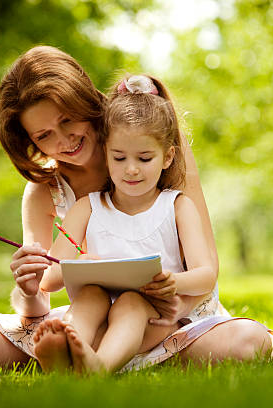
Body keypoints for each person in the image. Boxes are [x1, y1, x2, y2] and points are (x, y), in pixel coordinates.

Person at [0, 45, 273, 372]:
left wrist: (157, 318)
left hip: (174, 315)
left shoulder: (147, 142)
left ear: (84, 99)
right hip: (92, 314)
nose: (64, 141)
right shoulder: (45, 191)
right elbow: (40, 302)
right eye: (45, 136)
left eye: (67, 120)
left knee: (247, 342)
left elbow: (205, 272)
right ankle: (91, 353)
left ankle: (101, 356)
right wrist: (28, 288)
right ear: (31, 142)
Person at [38, 74, 219, 373]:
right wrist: (81, 262)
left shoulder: (177, 207)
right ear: (105, 155)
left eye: (145, 158)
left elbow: (206, 274)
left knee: (130, 302)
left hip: (153, 316)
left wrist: (174, 282)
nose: (131, 170)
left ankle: (99, 366)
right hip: (99, 312)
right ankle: (68, 346)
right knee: (91, 297)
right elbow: (49, 279)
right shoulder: (87, 208)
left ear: (167, 157)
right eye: (119, 158)